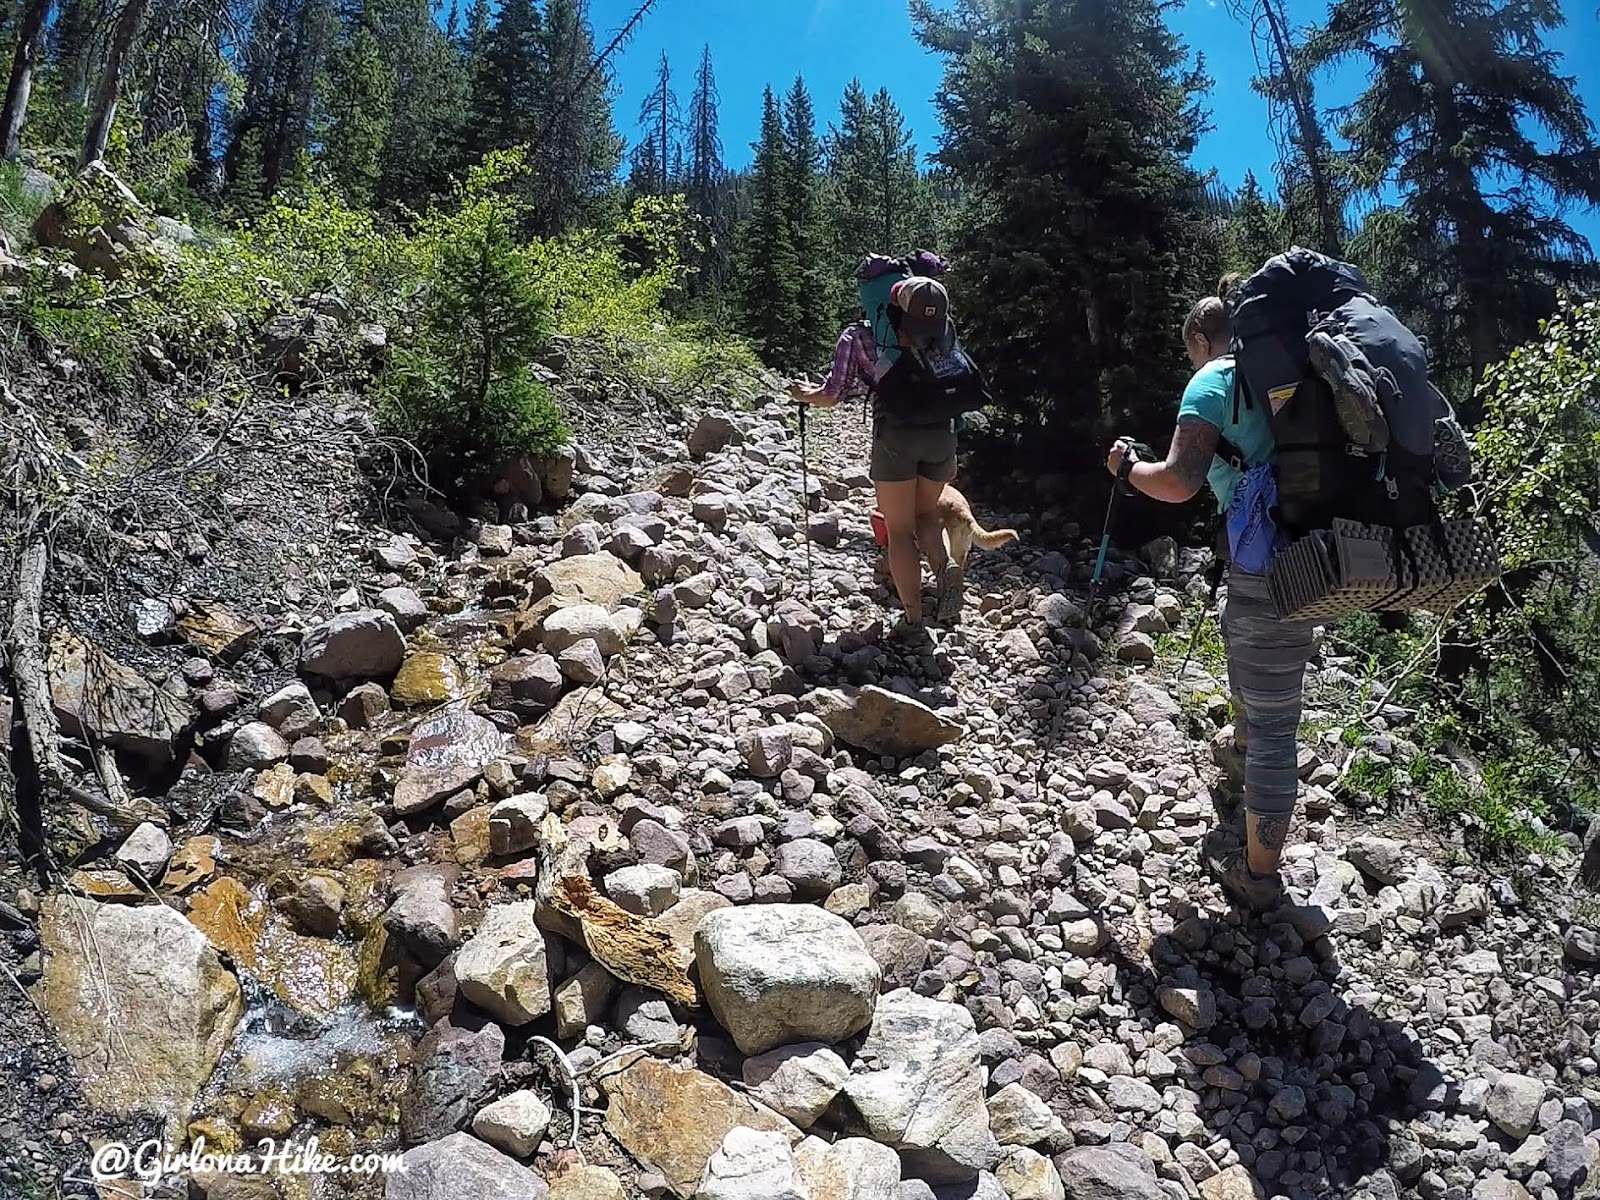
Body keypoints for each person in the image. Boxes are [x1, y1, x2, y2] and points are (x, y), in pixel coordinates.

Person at [1103, 288, 1314, 911]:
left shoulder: (1215, 380)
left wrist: (1126, 471)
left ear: (1199, 339)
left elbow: (1177, 480)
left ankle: (1258, 876)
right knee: (1259, 670)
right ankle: (1243, 761)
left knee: (1277, 722)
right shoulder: (1299, 372)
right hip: (1323, 555)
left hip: (1265, 557)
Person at [791, 275, 964, 637]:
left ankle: (914, 619)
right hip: (942, 435)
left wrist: (804, 395)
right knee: (926, 514)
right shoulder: (944, 329)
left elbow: (834, 393)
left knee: (899, 530)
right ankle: (945, 566)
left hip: (897, 436)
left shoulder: (859, 335)